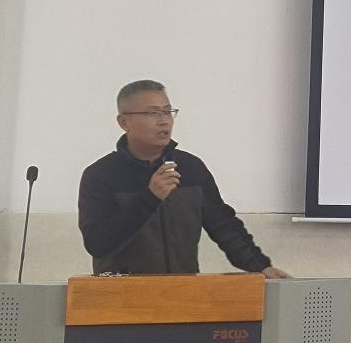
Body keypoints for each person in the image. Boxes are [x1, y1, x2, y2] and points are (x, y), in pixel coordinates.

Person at [78, 79, 288, 277]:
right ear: (124, 122)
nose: (164, 121)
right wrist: (149, 198)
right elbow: (98, 243)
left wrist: (260, 266)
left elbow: (223, 224)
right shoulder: (100, 175)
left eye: (168, 112)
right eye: (153, 113)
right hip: (121, 294)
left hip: (183, 290)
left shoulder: (190, 168)